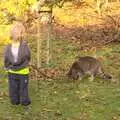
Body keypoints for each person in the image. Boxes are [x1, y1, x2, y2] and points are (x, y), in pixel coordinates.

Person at [4, 22, 31, 109]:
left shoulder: (8, 47)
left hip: (14, 71)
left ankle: (16, 101)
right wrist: (27, 62)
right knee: (22, 87)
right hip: (22, 71)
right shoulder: (24, 46)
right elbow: (28, 56)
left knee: (14, 87)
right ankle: (22, 101)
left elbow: (6, 58)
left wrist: (6, 66)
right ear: (22, 34)